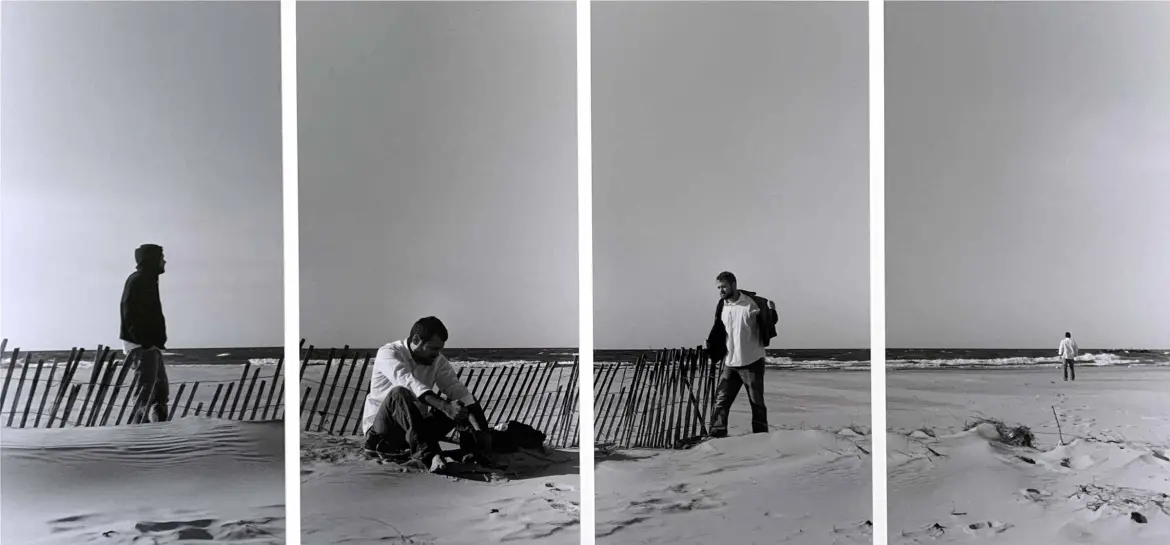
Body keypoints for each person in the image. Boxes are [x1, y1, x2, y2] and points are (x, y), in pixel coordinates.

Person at [361, 316, 494, 473]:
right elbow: (408, 383)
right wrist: (445, 406)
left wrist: (482, 431)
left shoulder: (437, 361)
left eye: (439, 349)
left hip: (416, 432)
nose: (437, 354)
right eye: (433, 348)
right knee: (400, 392)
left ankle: (473, 451)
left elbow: (458, 390)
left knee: (459, 404)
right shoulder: (388, 353)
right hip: (383, 433)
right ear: (416, 340)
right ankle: (430, 456)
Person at [705, 271, 778, 438]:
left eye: (723, 287)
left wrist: (772, 312)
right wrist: (712, 345)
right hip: (730, 362)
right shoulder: (722, 305)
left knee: (756, 403)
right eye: (718, 288)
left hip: (752, 361)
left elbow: (769, 322)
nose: (721, 291)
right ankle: (717, 435)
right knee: (721, 401)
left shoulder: (753, 303)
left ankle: (760, 437)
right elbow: (718, 329)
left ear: (733, 285)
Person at [119, 243, 170, 424]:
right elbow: (129, 313)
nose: (164, 261)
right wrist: (145, 341)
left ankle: (160, 427)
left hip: (150, 345)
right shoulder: (138, 279)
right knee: (145, 390)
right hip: (141, 345)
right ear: (152, 260)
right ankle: (138, 430)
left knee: (160, 390)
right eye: (161, 257)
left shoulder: (148, 279)